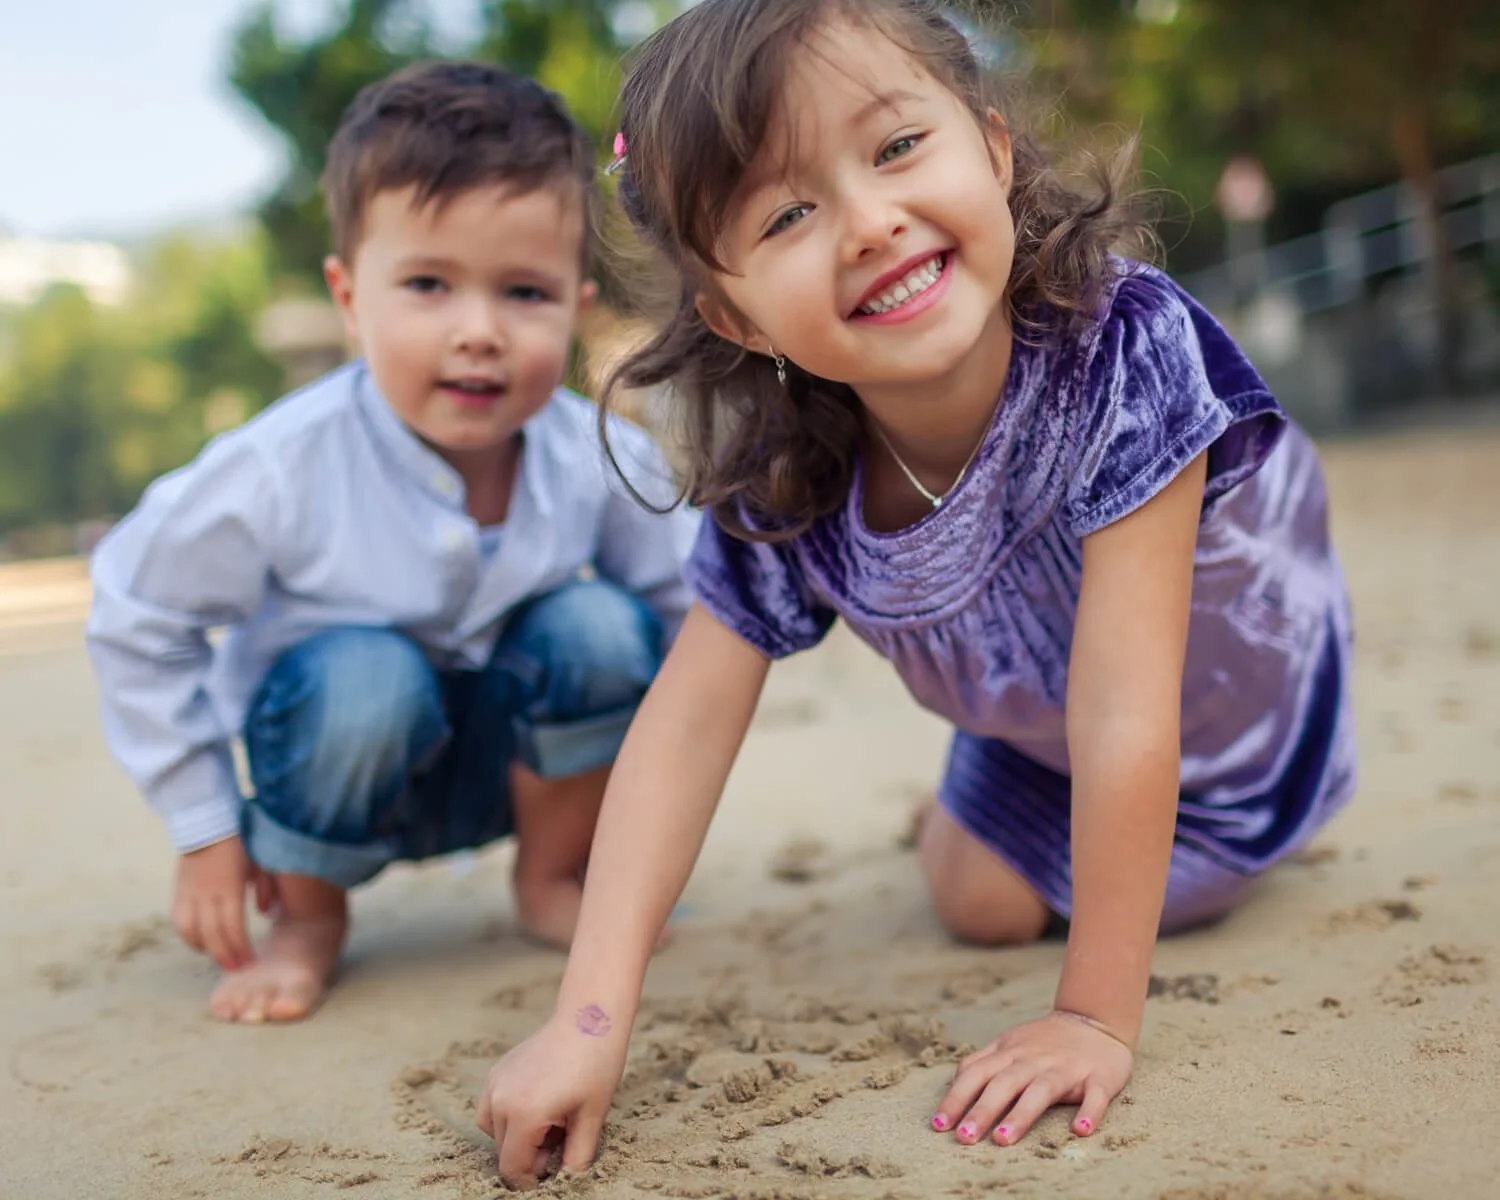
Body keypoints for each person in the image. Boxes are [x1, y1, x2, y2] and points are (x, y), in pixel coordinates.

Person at [477, 0, 1356, 1186]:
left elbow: (1124, 706)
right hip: (1054, 733)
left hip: (1223, 728)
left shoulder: (1120, 347)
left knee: (1166, 883)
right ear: (735, 316)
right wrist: (586, 1023)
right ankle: (961, 819)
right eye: (788, 214)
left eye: (896, 149)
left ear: (993, 152)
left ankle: (1141, 838)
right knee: (974, 897)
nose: (870, 222)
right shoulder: (788, 468)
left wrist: (1094, 1017)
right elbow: (683, 725)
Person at [85, 61, 698, 1026]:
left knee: (599, 626)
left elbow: (694, 616)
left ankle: (554, 879)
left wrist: (649, 815)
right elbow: (135, 613)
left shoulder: (601, 459)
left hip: (522, 770)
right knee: (363, 676)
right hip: (331, 764)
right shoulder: (279, 466)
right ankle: (308, 921)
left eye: (524, 293)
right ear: (347, 296)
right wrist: (203, 827)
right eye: (427, 284)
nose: (478, 332)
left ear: (577, 307)